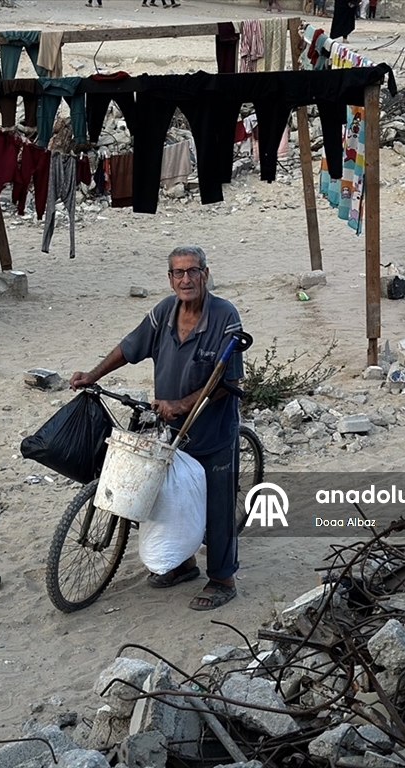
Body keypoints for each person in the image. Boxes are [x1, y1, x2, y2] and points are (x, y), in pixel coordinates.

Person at [69, 246, 245, 611]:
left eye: (192, 271)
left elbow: (228, 382)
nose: (186, 279)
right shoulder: (164, 312)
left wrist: (182, 404)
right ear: (170, 278)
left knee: (217, 504)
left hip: (212, 430)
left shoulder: (224, 316)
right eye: (178, 273)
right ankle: (182, 564)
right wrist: (93, 375)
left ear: (205, 274)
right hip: (170, 431)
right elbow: (129, 347)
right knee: (168, 497)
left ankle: (222, 579)